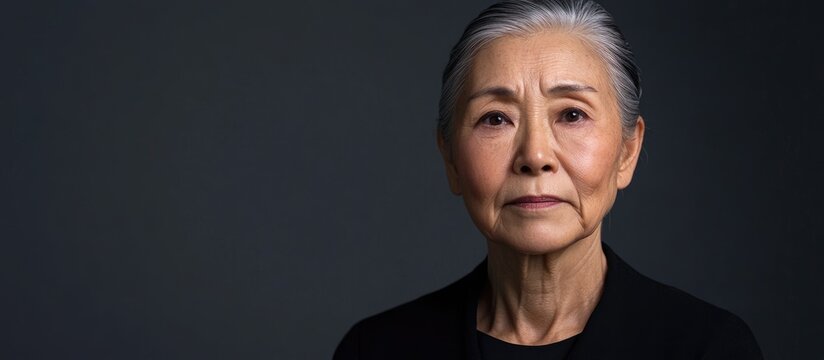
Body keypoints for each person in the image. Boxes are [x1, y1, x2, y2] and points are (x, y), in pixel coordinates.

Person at [334, 0, 763, 359]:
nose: (535, 156)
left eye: (572, 115)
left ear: (627, 151)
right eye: (496, 118)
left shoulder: (709, 348)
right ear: (450, 159)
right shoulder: (375, 349)